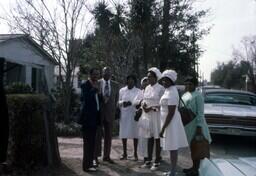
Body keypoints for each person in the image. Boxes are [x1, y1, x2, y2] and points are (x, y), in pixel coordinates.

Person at [159, 70, 188, 176]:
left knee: (173, 147)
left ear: (171, 81)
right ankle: (172, 170)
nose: (164, 82)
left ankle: (173, 171)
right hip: (166, 121)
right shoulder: (167, 90)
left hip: (171, 122)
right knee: (171, 147)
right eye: (163, 80)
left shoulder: (172, 92)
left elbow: (171, 113)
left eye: (166, 80)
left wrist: (163, 128)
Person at [181, 76, 212, 176]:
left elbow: (200, 113)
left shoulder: (198, 96)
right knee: (192, 147)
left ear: (195, 85)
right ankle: (193, 167)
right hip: (188, 125)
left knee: (197, 147)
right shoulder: (185, 95)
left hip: (197, 125)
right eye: (186, 84)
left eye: (190, 84)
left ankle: (196, 170)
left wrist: (199, 127)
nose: (188, 86)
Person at [140, 67, 164, 171]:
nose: (148, 79)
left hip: (157, 116)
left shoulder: (161, 88)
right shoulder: (147, 88)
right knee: (149, 138)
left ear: (156, 77)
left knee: (157, 138)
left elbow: (163, 105)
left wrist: (152, 108)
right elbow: (144, 100)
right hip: (147, 116)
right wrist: (144, 106)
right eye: (148, 77)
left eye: (150, 77)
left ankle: (157, 161)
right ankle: (148, 160)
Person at [96, 67, 119, 164]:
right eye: (105, 72)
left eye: (109, 72)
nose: (107, 74)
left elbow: (116, 100)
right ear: (102, 73)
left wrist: (114, 112)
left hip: (110, 114)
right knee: (97, 136)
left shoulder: (115, 85)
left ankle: (106, 156)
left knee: (108, 137)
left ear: (111, 74)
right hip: (98, 114)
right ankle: (95, 157)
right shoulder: (97, 83)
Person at [80, 68, 101, 172]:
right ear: (90, 74)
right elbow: (85, 99)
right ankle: (86, 166)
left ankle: (90, 164)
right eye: (95, 74)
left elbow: (96, 101)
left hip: (95, 118)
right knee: (87, 143)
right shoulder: (85, 84)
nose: (96, 76)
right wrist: (94, 90)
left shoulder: (96, 85)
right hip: (87, 118)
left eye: (98, 75)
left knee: (92, 142)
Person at [118, 75, 141, 160]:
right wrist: (123, 102)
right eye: (129, 80)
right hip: (124, 114)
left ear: (135, 82)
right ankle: (124, 153)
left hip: (134, 115)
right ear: (127, 81)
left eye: (132, 80)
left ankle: (135, 153)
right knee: (124, 133)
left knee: (135, 134)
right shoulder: (122, 90)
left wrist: (133, 103)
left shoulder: (138, 91)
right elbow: (119, 101)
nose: (130, 82)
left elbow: (140, 102)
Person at [136, 77, 149, 163]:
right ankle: (145, 156)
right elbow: (134, 102)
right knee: (143, 138)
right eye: (144, 82)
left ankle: (154, 156)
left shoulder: (152, 91)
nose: (145, 83)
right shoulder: (140, 92)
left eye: (147, 82)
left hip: (151, 116)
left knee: (151, 138)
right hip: (143, 118)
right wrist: (141, 102)